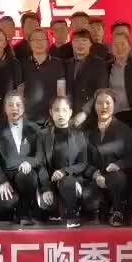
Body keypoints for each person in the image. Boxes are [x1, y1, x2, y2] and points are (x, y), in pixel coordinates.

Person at [0, 92, 42, 225]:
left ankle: (25, 212)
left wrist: (29, 162)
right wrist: (2, 180)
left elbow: (40, 156)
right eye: (10, 105)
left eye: (18, 105)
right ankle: (13, 209)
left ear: (24, 107)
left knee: (26, 176)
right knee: (6, 205)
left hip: (26, 174)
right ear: (5, 108)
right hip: (6, 176)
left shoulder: (34, 128)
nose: (14, 108)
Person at [85, 89, 132, 227]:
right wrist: (95, 174)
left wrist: (118, 165)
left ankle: (117, 211)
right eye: (99, 103)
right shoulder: (87, 131)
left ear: (114, 105)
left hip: (115, 177)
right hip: (94, 176)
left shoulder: (125, 130)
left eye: (108, 103)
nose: (104, 106)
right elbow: (83, 159)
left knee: (118, 177)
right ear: (94, 106)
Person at [37, 97, 89, 228]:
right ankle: (58, 208)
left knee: (67, 182)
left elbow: (83, 163)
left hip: (71, 181)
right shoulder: (43, 135)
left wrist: (64, 171)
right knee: (47, 205)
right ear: (51, 112)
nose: (61, 114)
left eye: (64, 110)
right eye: (57, 110)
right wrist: (45, 188)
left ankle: (72, 216)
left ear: (70, 112)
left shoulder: (79, 135)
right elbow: (41, 164)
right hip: (51, 184)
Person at [20, 27, 67, 125]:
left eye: (42, 39)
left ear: (48, 42)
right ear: (30, 44)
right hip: (28, 118)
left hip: (51, 117)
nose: (39, 43)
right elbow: (20, 90)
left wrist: (59, 112)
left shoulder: (58, 63)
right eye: (35, 40)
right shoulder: (23, 64)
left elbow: (61, 90)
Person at [67, 29, 109, 128]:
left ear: (91, 44)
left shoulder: (99, 64)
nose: (80, 44)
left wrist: (85, 112)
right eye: (76, 41)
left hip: (89, 115)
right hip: (69, 114)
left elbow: (100, 91)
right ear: (71, 44)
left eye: (84, 41)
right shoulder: (67, 64)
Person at [107, 31, 132, 124]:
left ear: (129, 46)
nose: (119, 48)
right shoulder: (107, 66)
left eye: (122, 44)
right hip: (111, 114)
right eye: (115, 45)